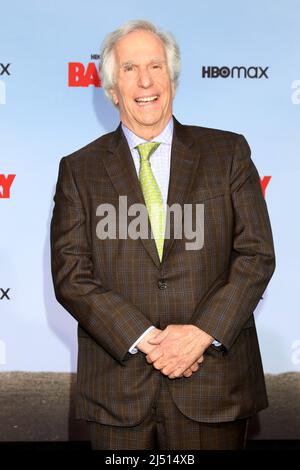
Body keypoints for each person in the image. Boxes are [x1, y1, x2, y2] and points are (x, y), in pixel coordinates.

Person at [50, 19, 275, 450]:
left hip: (214, 385)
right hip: (118, 397)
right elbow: (71, 275)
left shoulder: (228, 153)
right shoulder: (79, 170)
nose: (146, 80)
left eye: (155, 66)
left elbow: (256, 255)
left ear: (171, 77)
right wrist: (146, 339)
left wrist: (198, 335)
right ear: (112, 89)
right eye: (130, 69)